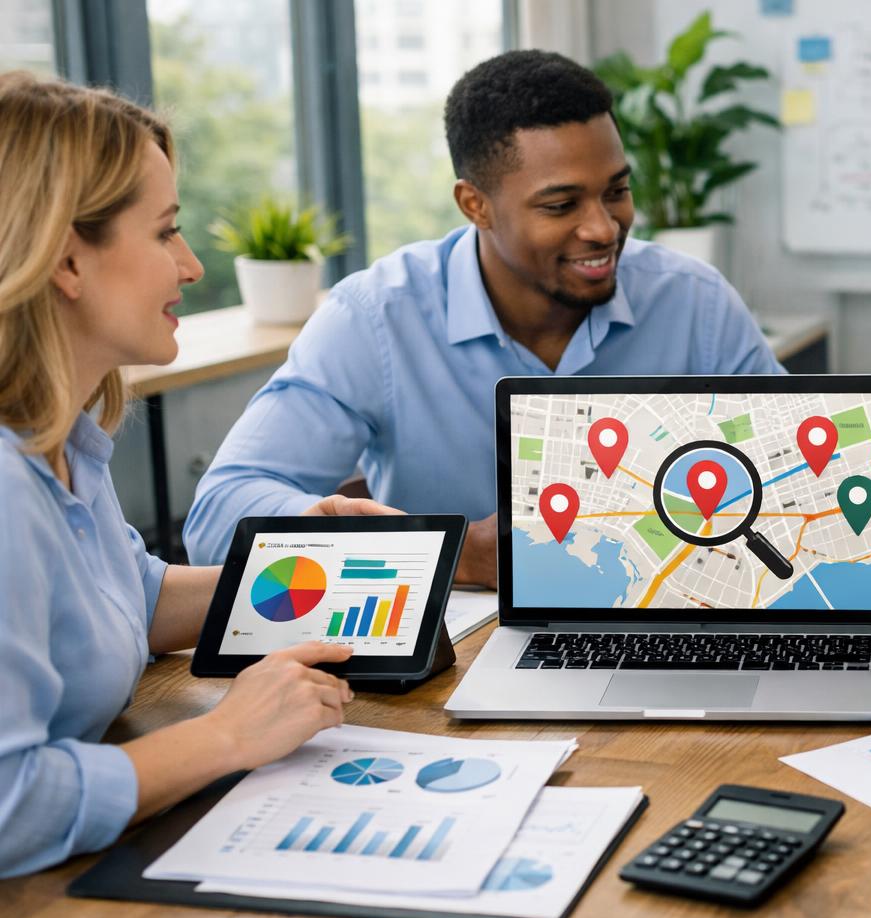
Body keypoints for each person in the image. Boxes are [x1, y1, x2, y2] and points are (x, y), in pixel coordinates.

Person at [184, 50, 785, 585]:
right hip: (459, 662)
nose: (604, 227)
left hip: (678, 617)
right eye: (561, 204)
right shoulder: (376, 319)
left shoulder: (695, 303)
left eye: (616, 191)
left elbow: (807, 478)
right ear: (476, 205)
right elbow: (218, 516)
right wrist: (448, 554)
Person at [0, 73, 392, 877]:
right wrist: (224, 735)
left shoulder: (64, 438)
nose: (189, 265)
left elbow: (128, 599)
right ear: (68, 259)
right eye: (166, 232)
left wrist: (309, 570)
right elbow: (9, 805)